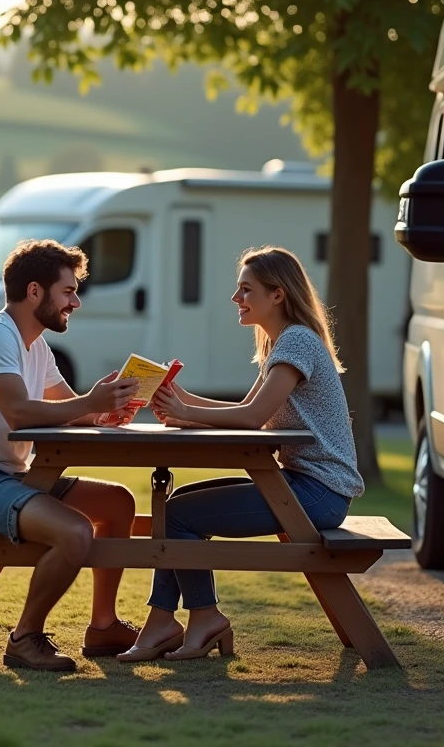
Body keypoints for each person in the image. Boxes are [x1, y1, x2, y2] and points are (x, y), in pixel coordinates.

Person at [117, 245, 366, 662]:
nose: (236, 299)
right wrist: (182, 402)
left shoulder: (297, 343)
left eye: (245, 290)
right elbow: (246, 412)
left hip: (318, 494)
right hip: (305, 487)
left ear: (278, 295)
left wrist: (187, 413)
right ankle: (172, 621)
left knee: (179, 516)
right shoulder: (282, 344)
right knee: (176, 508)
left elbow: (252, 419)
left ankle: (196, 619)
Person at [0, 238, 143, 672]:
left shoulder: (35, 345)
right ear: (35, 292)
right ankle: (25, 639)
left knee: (119, 503)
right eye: (68, 291)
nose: (76, 301)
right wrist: (87, 405)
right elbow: (21, 412)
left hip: (5, 478)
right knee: (75, 532)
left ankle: (103, 627)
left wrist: (103, 410)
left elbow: (65, 406)